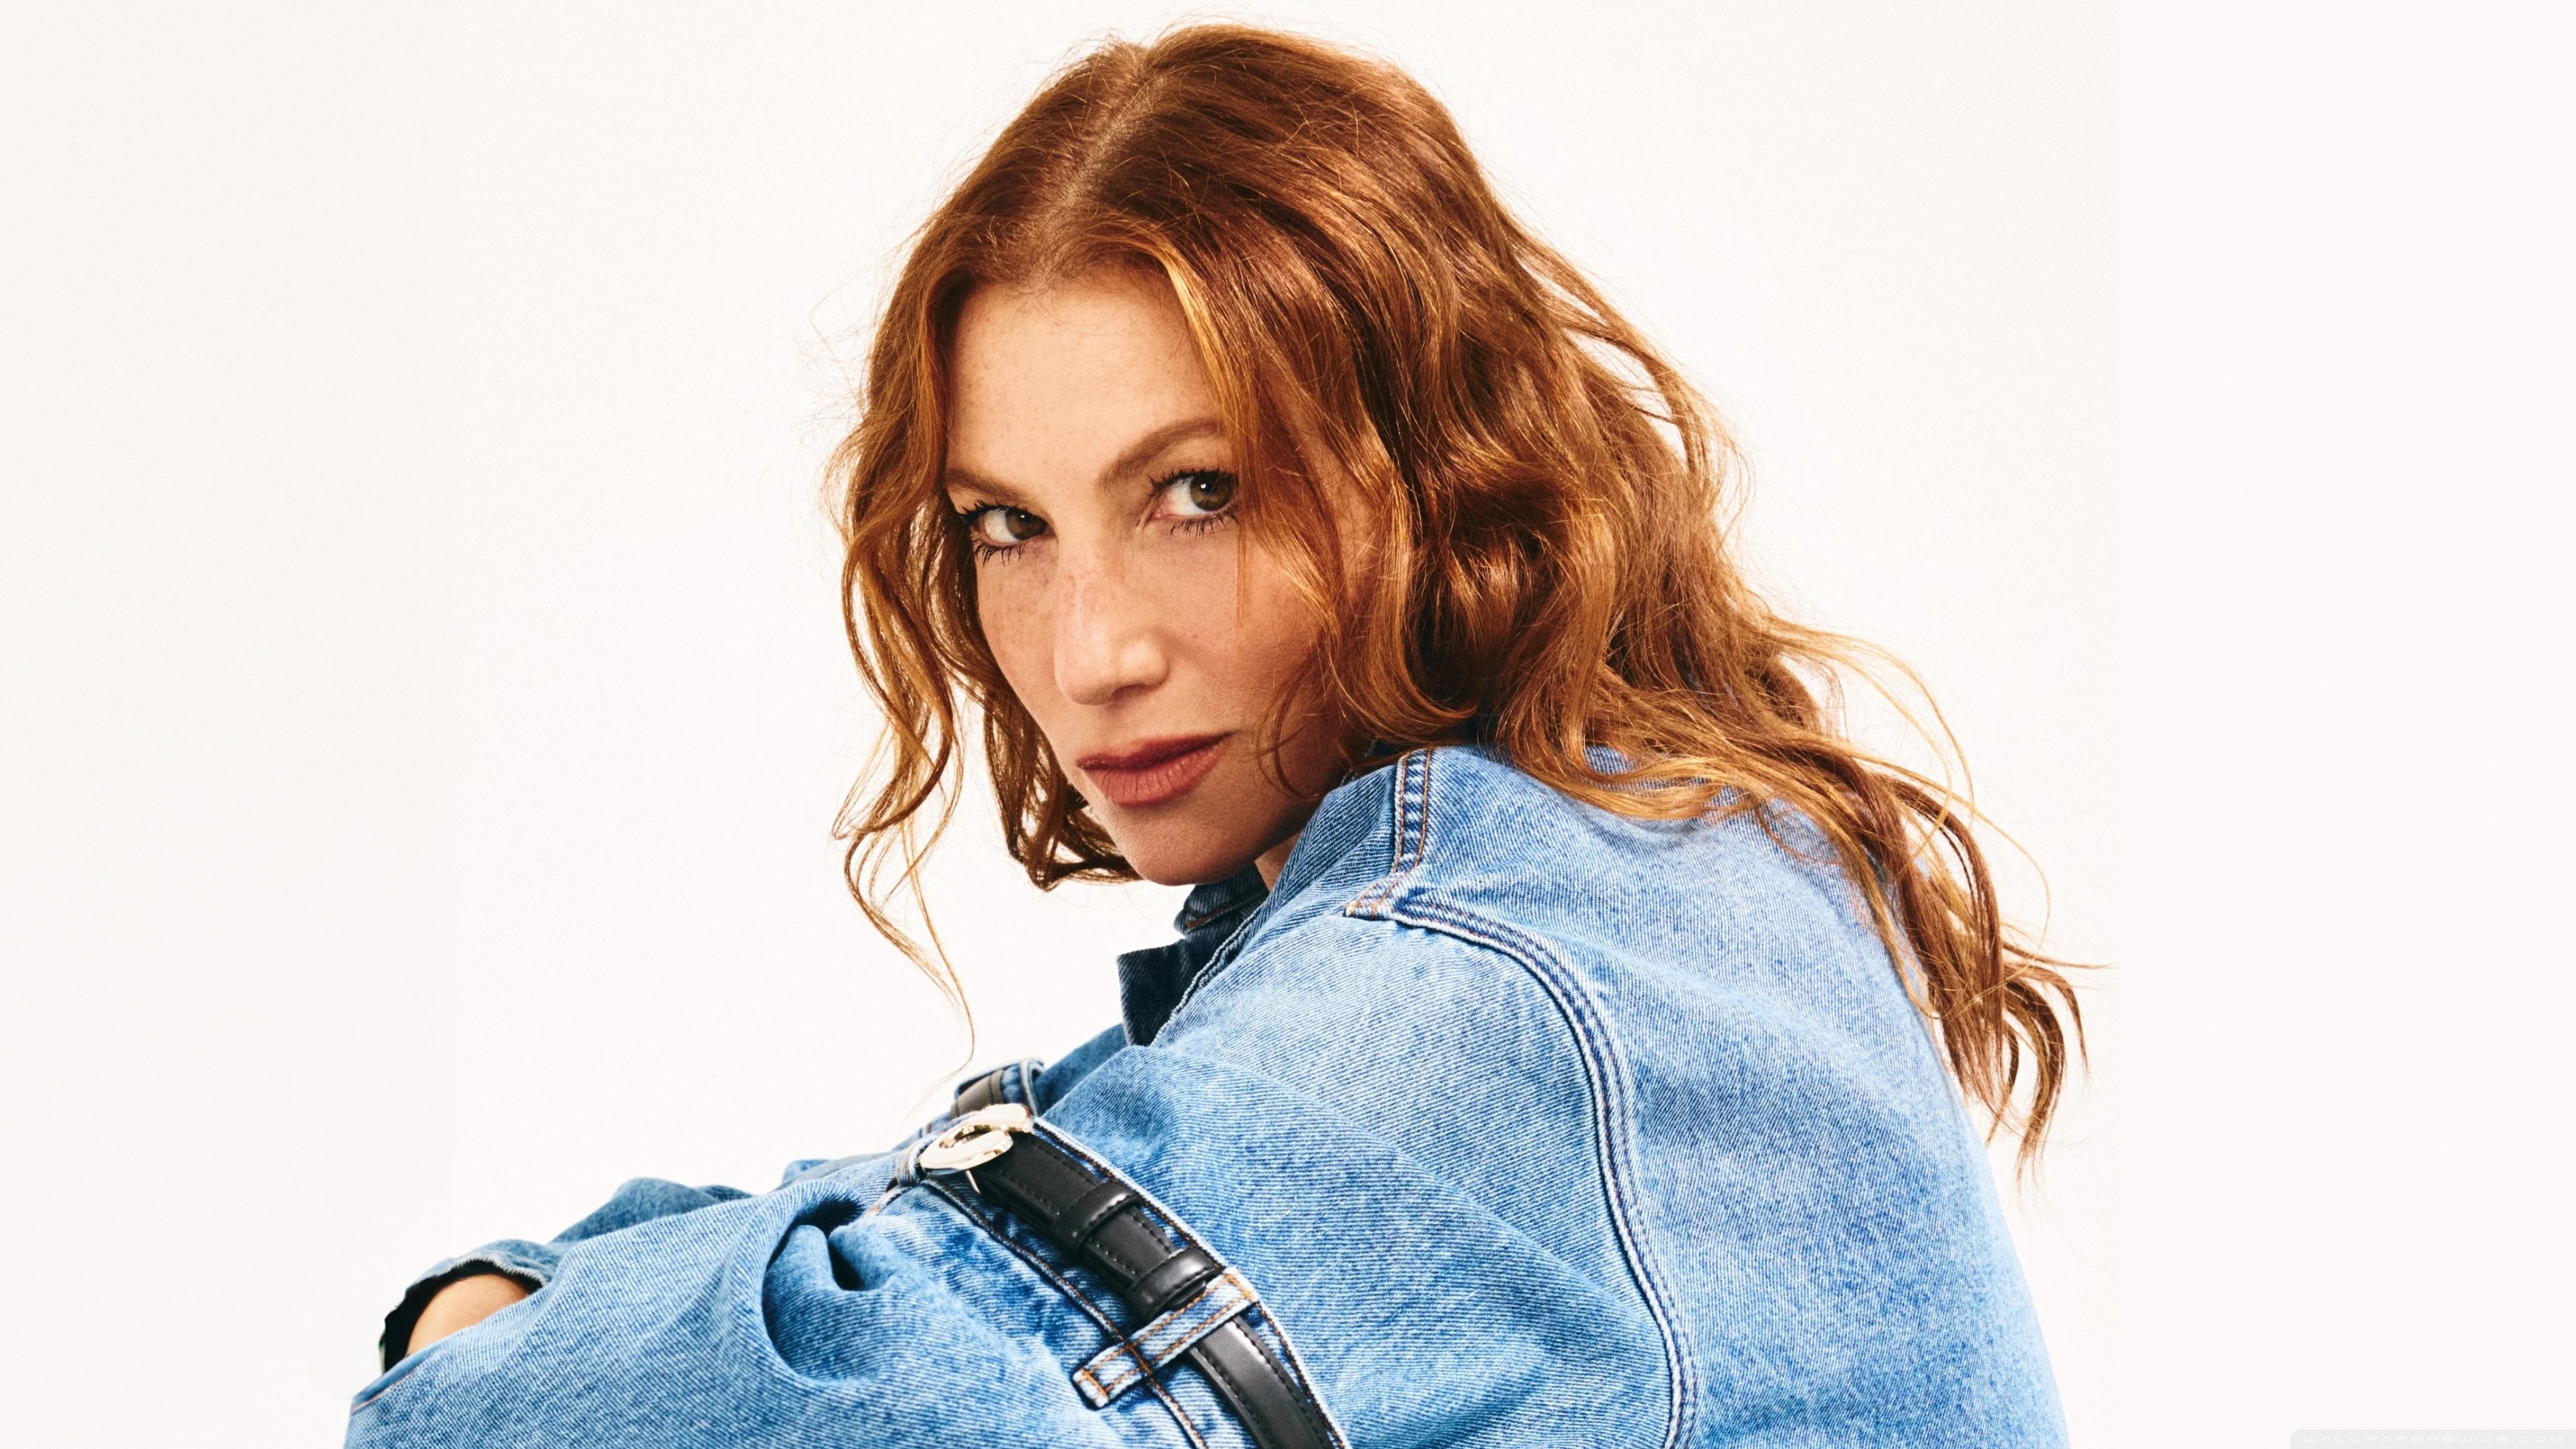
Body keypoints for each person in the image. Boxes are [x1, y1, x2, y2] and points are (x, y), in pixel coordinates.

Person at [349, 24, 2084, 1449]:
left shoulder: (1477, 977)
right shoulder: (1646, 852)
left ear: (1434, 471)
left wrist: (481, 1332)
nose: (1089, 652)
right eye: (1007, 526)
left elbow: (829, 1401)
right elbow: (986, 1233)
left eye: (1199, 493)